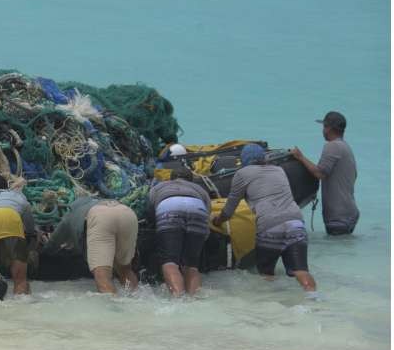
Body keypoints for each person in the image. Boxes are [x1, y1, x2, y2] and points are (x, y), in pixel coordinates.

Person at [212, 144, 317, 292]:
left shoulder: (242, 174)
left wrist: (217, 221)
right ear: (264, 158)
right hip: (295, 223)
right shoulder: (278, 170)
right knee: (301, 271)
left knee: (266, 273)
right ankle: (313, 297)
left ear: (244, 160)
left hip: (269, 225)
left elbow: (229, 209)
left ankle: (271, 301)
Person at [40, 196, 139, 294]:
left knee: (103, 276)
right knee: (125, 270)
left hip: (101, 217)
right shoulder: (96, 202)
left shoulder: (71, 214)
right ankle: (133, 296)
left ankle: (115, 304)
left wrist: (44, 252)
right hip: (126, 213)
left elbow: (54, 241)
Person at [291, 111, 359, 235]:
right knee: (342, 247)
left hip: (339, 217)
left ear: (328, 128)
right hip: (348, 213)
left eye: (324, 127)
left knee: (337, 248)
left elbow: (320, 173)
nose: (323, 130)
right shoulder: (345, 147)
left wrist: (300, 157)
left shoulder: (333, 146)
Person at [147, 167, 211, 296]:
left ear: (171, 178)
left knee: (170, 262)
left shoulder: (159, 187)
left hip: (169, 207)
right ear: (191, 180)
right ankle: (194, 300)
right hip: (197, 208)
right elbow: (207, 213)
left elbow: (150, 211)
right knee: (191, 265)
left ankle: (179, 299)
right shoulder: (200, 189)